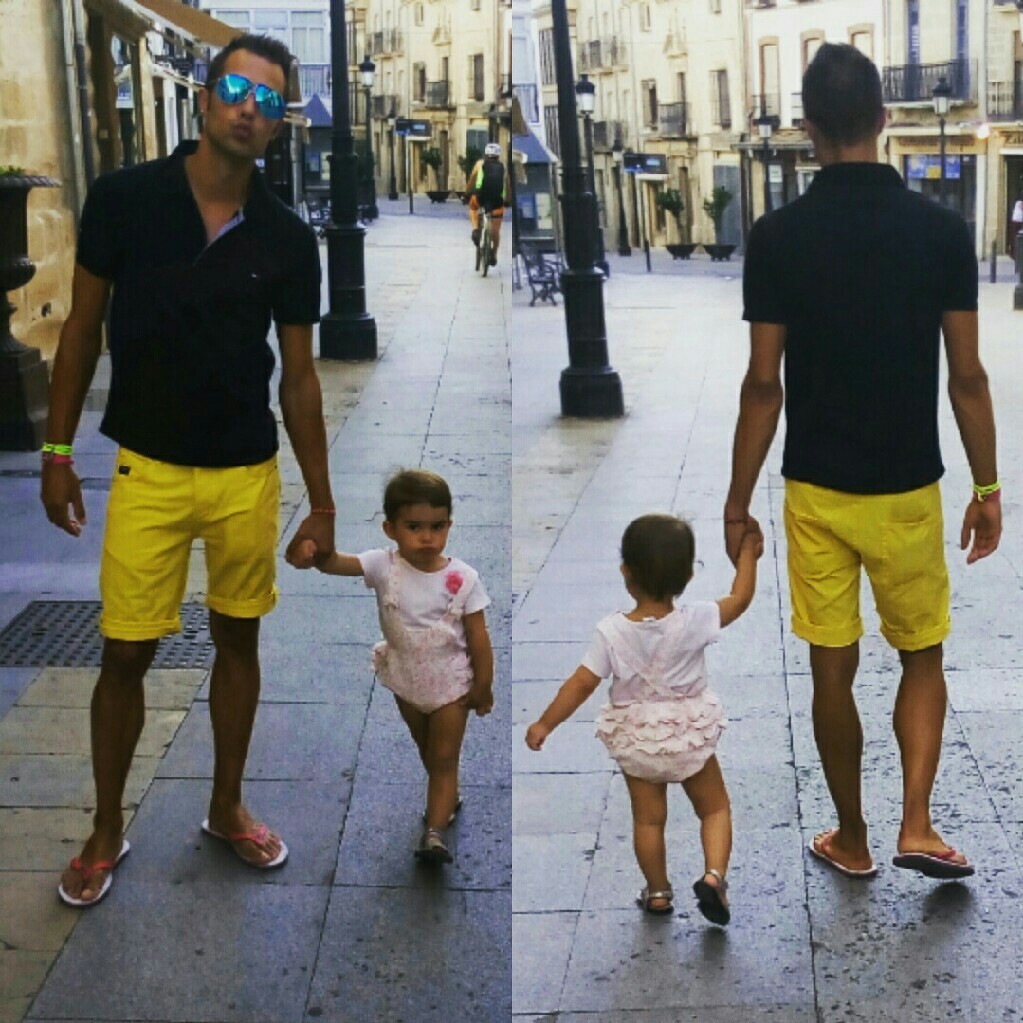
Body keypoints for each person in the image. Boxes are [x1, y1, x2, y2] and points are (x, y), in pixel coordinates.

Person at [42, 34, 336, 906]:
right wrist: (56, 453)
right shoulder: (125, 200)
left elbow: (300, 377)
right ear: (205, 99)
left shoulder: (287, 237)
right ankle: (105, 826)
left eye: (269, 100)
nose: (249, 108)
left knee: (239, 639)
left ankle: (226, 804)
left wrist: (322, 502)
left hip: (245, 471)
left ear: (279, 124)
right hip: (150, 468)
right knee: (125, 649)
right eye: (237, 89)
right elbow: (80, 330)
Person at [726, 43, 1001, 881]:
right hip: (907, 485)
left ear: (807, 128)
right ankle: (916, 821)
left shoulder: (776, 237)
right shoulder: (940, 232)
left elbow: (762, 384)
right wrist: (987, 486)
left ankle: (851, 836)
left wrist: (736, 500)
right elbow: (966, 376)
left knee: (831, 667)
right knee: (921, 654)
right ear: (883, 119)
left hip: (815, 487)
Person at [525, 514, 762, 924]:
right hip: (688, 735)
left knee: (649, 820)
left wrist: (545, 723)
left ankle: (657, 892)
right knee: (714, 809)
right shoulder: (697, 619)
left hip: (639, 739)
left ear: (626, 572)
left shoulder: (611, 632)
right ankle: (714, 876)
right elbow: (740, 599)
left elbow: (581, 683)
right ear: (688, 576)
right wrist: (747, 554)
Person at [289, 469, 495, 865]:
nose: (427, 537)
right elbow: (336, 564)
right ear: (390, 529)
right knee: (427, 748)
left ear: (449, 525)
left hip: (452, 685)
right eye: (414, 527)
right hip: (405, 680)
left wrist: (483, 686)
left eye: (437, 526)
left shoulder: (464, 578)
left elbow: (479, 637)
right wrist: (314, 553)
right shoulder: (384, 565)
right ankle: (447, 795)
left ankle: (434, 832)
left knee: (444, 756)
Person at [465, 142, 507, 266]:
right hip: (497, 201)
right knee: (496, 229)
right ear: (498, 155)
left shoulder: (479, 164)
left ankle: (475, 229)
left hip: (480, 198)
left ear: (485, 154)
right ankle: (494, 254)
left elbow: (472, 179)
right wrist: (508, 200)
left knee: (472, 207)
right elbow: (508, 185)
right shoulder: (503, 167)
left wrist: (466, 194)